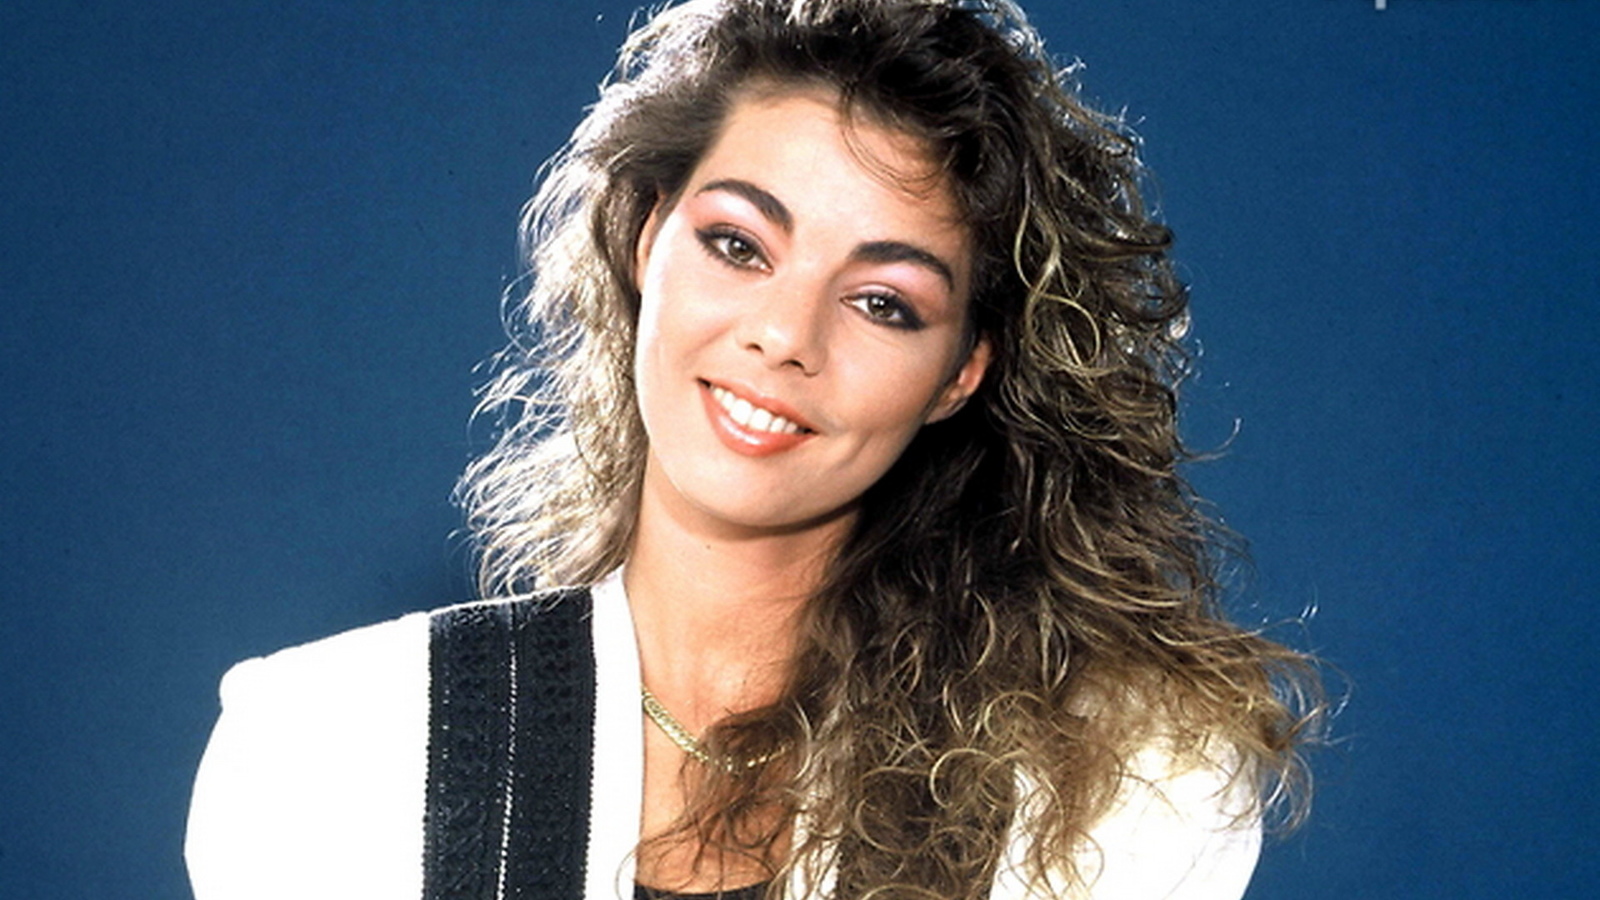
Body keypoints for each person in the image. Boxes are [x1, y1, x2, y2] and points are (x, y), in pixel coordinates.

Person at [185, 1, 1319, 898]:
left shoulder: (1126, 780)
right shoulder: (327, 745)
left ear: (960, 374)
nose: (784, 335)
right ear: (646, 237)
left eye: (883, 303)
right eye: (738, 244)